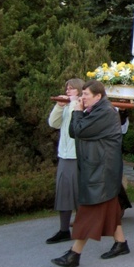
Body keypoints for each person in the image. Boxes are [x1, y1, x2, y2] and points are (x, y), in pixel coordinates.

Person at [51, 80, 129, 267]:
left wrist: (77, 111)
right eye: (82, 94)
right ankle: (121, 243)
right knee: (109, 207)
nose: (82, 97)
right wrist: (76, 111)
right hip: (98, 168)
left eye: (85, 94)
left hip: (102, 170)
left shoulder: (105, 112)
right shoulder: (94, 110)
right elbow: (72, 131)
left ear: (98, 96)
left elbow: (79, 130)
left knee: (89, 210)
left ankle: (74, 254)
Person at [46, 78, 84, 244]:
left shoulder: (82, 105)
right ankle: (63, 230)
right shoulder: (66, 105)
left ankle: (83, 227)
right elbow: (53, 123)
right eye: (67, 88)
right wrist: (59, 106)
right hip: (64, 155)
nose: (68, 91)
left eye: (72, 88)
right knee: (64, 193)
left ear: (80, 90)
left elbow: (76, 123)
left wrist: (74, 103)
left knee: (79, 193)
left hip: (78, 156)